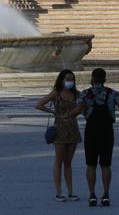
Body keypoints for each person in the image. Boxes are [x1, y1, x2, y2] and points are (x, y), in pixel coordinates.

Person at [80, 67, 119, 207]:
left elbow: (79, 109)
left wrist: (65, 115)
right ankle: (106, 194)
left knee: (91, 164)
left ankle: (92, 195)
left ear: (92, 79)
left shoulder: (85, 93)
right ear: (104, 79)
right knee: (106, 164)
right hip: (107, 132)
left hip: (91, 131)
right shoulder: (112, 93)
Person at [35, 69, 83, 201]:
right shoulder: (56, 93)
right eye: (68, 79)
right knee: (59, 160)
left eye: (72, 79)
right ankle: (58, 192)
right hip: (60, 129)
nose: (70, 82)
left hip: (73, 129)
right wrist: (52, 112)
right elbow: (38, 104)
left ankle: (70, 192)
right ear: (62, 80)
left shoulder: (76, 94)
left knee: (68, 161)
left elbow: (84, 104)